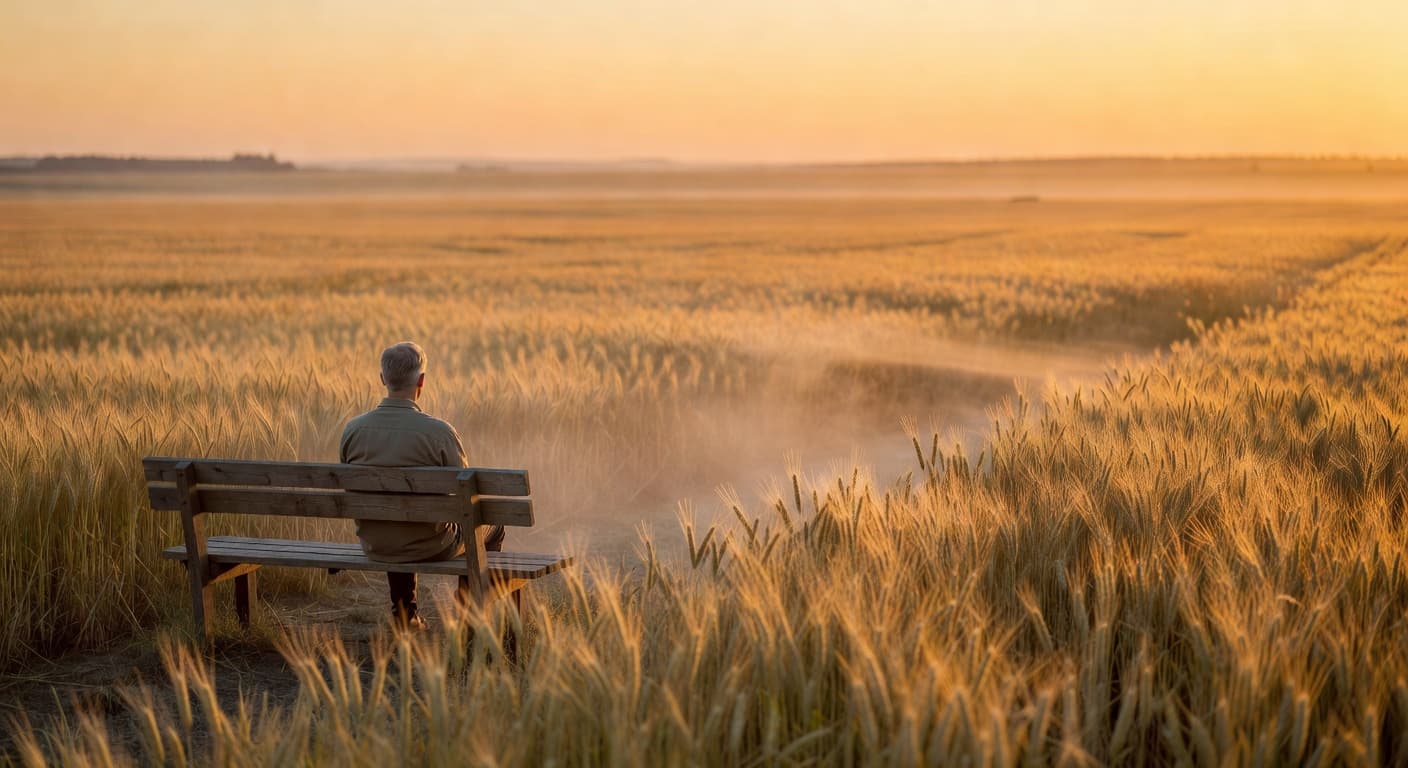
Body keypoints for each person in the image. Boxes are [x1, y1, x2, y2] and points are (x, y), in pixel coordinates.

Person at [340, 341, 505, 630]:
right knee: (493, 525)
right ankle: (472, 608)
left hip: (374, 541)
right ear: (422, 381)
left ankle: (405, 613)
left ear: (382, 379)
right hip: (431, 544)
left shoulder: (353, 430)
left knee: (393, 517)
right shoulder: (439, 433)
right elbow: (467, 496)